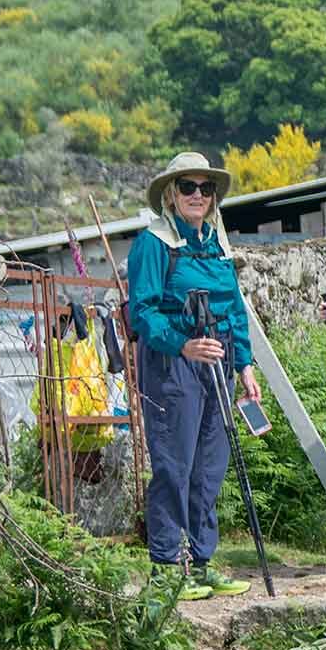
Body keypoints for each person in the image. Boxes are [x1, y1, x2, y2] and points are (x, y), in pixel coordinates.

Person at [126, 150, 259, 600]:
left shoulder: (218, 245)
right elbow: (141, 312)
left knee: (209, 467)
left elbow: (234, 310)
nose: (198, 195)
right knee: (173, 464)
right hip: (173, 364)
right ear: (170, 194)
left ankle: (200, 564)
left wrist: (245, 364)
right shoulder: (153, 243)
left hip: (217, 361)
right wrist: (181, 344)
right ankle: (167, 566)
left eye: (206, 188)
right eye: (188, 187)